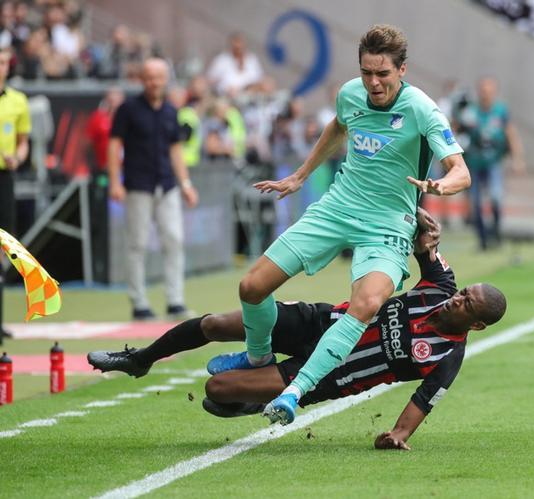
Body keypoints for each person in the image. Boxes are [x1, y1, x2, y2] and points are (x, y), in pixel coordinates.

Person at [212, 25, 472, 426]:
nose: (373, 82)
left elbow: (461, 171)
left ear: (402, 70)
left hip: (387, 224)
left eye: (382, 74)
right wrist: (300, 176)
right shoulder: (352, 93)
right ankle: (258, 356)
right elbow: (338, 125)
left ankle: (294, 392)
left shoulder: (422, 109)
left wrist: (440, 185)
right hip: (337, 207)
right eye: (367, 72)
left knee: (365, 304)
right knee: (251, 287)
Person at [87, 225, 507, 450]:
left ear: (476, 325)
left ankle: (254, 397)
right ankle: (140, 359)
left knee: (216, 390)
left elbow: (421, 404)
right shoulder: (440, 285)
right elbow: (422, 241)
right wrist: (424, 223)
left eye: (467, 305)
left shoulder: (445, 358)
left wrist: (397, 435)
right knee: (217, 324)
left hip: (326, 375)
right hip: (321, 322)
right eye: (464, 294)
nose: (458, 300)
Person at [108, 57, 199, 321]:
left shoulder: (171, 111)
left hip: (167, 185)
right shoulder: (128, 109)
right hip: (138, 185)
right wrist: (115, 181)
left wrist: (186, 184)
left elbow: (175, 150)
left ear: (165, 79)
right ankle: (139, 303)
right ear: (142, 79)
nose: (153, 82)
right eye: (148, 77)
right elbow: (114, 145)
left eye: (158, 77)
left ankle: (175, 300)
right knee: (136, 245)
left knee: (174, 240)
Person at [462, 76, 525, 251]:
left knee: (496, 198)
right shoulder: (470, 112)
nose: (485, 95)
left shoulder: (500, 111)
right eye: (483, 91)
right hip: (474, 162)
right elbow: (456, 131)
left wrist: (517, 158)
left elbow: (511, 134)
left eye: (489, 91)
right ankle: (482, 240)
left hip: (493, 162)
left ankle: (495, 232)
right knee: (476, 203)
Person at [0, 47, 30, 343]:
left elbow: (23, 143)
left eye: (2, 62)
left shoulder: (18, 101)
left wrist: (17, 158)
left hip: (5, 178)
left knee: (5, 244)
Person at [207, 32, 264, 98]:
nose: (238, 49)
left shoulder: (252, 59)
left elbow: (259, 80)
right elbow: (210, 80)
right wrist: (226, 89)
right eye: (236, 48)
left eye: (240, 47)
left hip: (250, 97)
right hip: (226, 97)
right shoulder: (221, 60)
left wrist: (249, 88)